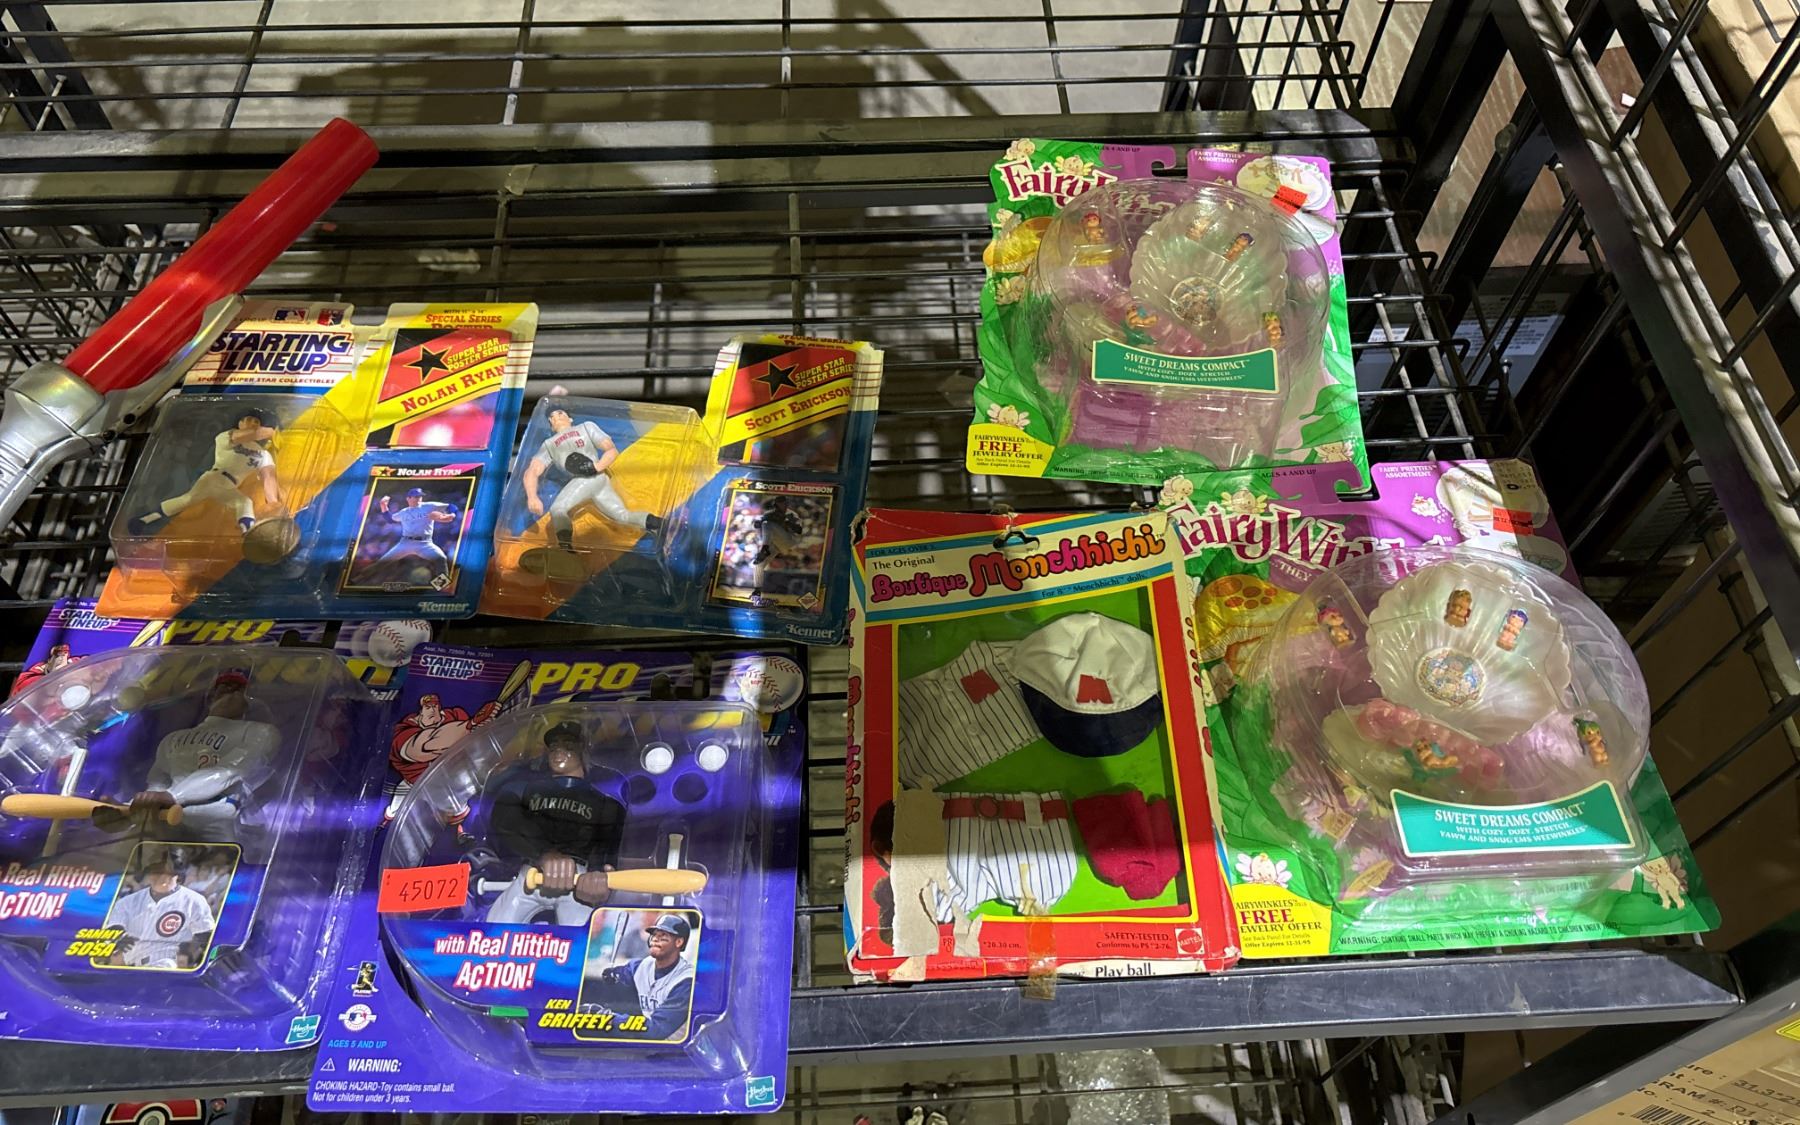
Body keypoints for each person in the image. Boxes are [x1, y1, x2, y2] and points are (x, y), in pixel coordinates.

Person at [95, 669, 279, 842]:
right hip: (170, 821)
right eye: (224, 688)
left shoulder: (260, 731)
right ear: (210, 696)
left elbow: (231, 771)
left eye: (238, 689)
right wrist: (130, 811)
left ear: (250, 698)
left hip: (221, 821)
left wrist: (174, 796)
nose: (230, 693)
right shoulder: (173, 738)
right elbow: (157, 785)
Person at [485, 721, 627, 925]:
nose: (559, 750)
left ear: (583, 751)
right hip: (531, 873)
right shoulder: (523, 790)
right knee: (494, 929)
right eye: (554, 746)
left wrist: (601, 878)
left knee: (580, 935)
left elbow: (609, 850)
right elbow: (505, 821)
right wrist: (543, 853)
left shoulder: (606, 804)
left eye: (568, 745)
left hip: (576, 882)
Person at [523, 401, 664, 553]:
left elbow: (611, 450)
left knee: (558, 508)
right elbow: (532, 471)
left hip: (588, 477)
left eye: (560, 413)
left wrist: (596, 467)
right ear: (550, 425)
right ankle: (659, 523)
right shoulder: (549, 444)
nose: (556, 417)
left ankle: (566, 550)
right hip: (597, 480)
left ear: (570, 418)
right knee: (621, 515)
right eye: (551, 417)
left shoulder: (585, 427)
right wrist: (532, 496)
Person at [130, 409, 280, 536]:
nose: (253, 423)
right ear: (240, 423)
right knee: (186, 501)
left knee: (244, 502)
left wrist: (274, 504)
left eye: (256, 421)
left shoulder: (263, 454)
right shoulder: (226, 436)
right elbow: (242, 436)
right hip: (214, 478)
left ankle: (248, 533)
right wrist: (267, 432)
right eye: (248, 419)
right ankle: (145, 519)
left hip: (230, 485)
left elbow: (269, 477)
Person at [382, 692, 501, 843]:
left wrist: (482, 729)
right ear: (421, 711)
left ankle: (459, 832)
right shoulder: (405, 728)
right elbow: (423, 747)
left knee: (458, 807)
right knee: (394, 808)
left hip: (446, 784)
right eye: (428, 707)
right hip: (413, 783)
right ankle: (384, 825)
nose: (432, 709)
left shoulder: (455, 715)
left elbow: (475, 750)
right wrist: (470, 725)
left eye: (435, 706)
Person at [590, 914, 697, 1041]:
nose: (655, 939)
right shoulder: (644, 965)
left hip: (675, 1047)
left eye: (663, 936)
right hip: (651, 1041)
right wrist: (613, 974)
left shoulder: (686, 981)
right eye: (654, 935)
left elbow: (656, 1030)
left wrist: (607, 1018)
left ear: (679, 942)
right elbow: (623, 973)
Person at [108, 853, 215, 969]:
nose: (160, 876)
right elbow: (113, 927)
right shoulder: (127, 902)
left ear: (177, 874)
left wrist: (202, 961)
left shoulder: (193, 900)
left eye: (166, 871)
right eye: (155, 871)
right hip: (128, 965)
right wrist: (120, 938)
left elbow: (206, 937)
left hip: (166, 965)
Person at [371, 488, 458, 584]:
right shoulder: (404, 512)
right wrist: (383, 505)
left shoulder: (429, 506)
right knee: (383, 562)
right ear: (408, 498)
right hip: (405, 543)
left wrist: (452, 515)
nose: (419, 498)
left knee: (441, 559)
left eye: (420, 496)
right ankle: (364, 579)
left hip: (425, 543)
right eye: (416, 496)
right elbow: (390, 519)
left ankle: (440, 585)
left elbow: (452, 506)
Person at [747, 495, 815, 607]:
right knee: (758, 565)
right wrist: (758, 522)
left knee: (767, 525)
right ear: (775, 505)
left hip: (790, 541)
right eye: (779, 504)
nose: (781, 506)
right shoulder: (769, 514)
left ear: (786, 504)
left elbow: (799, 530)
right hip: (777, 543)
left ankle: (764, 549)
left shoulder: (791, 514)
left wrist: (787, 523)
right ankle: (757, 591)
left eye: (783, 504)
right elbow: (756, 524)